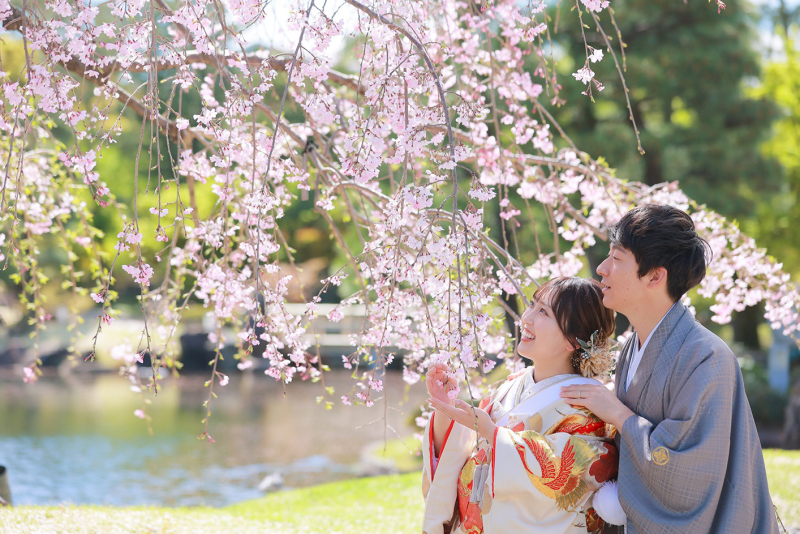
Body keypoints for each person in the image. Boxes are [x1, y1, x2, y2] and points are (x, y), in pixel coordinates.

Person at [560, 204, 781, 534]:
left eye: (617, 258)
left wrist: (618, 414)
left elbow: (687, 470)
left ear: (655, 276)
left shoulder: (707, 358)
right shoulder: (633, 347)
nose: (602, 269)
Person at [422, 277, 623, 534]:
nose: (526, 318)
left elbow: (570, 476)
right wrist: (444, 408)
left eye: (543, 312)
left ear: (573, 341)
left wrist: (494, 434)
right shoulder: (511, 385)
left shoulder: (587, 407)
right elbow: (466, 448)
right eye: (532, 304)